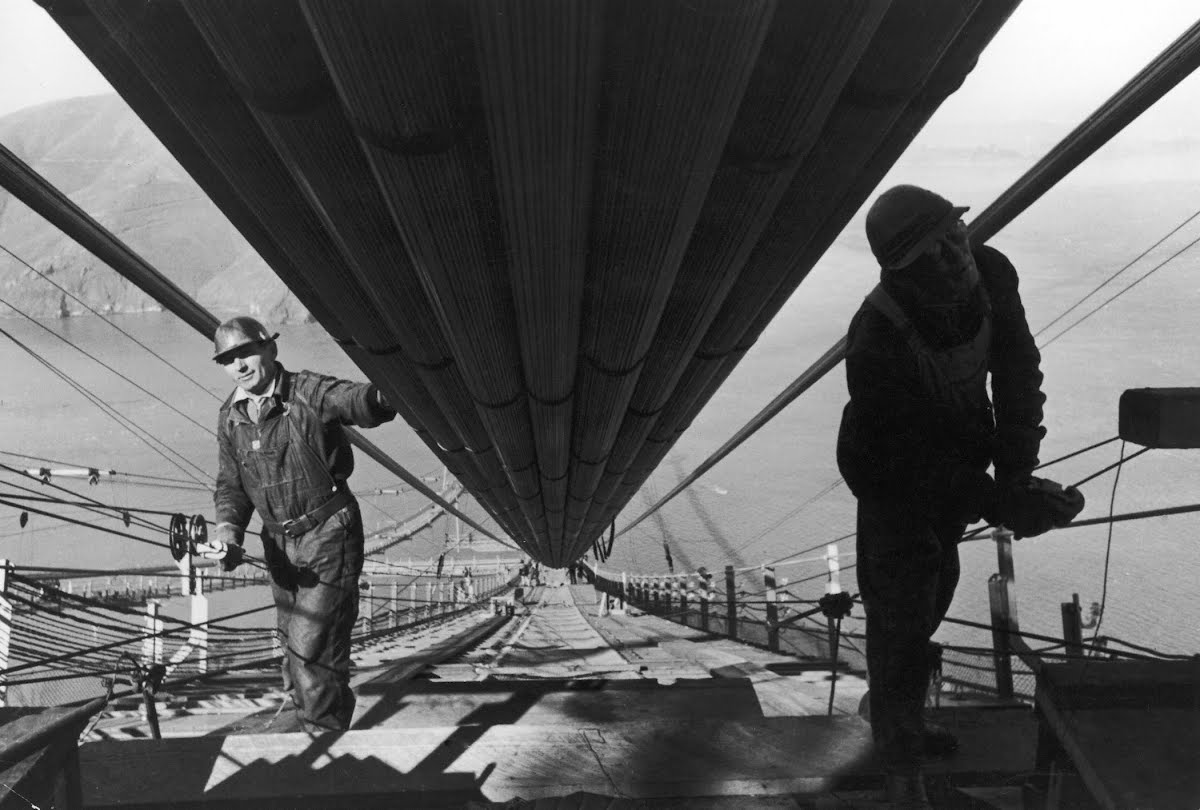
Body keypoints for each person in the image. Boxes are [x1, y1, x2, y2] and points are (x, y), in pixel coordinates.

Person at [836, 185, 1084, 808]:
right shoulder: (875, 340)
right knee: (902, 598)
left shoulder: (993, 272)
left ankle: (900, 714)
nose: (954, 257)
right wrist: (1002, 503)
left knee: (937, 581)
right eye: (930, 254)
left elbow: (1018, 372)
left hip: (957, 450)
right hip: (890, 471)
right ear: (899, 271)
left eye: (954, 237)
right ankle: (898, 738)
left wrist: (1019, 477)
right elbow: (911, 460)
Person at [198, 316, 396, 732]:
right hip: (279, 546)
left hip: (328, 532)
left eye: (246, 352)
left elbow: (357, 400)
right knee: (293, 648)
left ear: (271, 349)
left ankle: (323, 747)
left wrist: (388, 394)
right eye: (229, 359)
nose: (240, 365)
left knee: (310, 648)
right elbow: (231, 487)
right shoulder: (230, 417)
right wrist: (228, 535)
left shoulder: (308, 392)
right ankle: (324, 726)